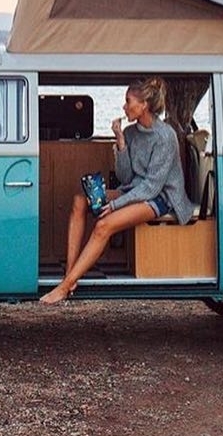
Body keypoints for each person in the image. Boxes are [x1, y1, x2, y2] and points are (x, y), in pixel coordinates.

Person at [40, 76, 193, 305]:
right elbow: (125, 177)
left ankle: (64, 287)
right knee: (80, 200)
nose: (124, 106)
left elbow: (151, 187)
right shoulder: (131, 133)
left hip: (162, 197)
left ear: (144, 106)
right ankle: (69, 277)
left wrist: (114, 205)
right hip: (135, 190)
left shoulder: (165, 136)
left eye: (128, 101)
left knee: (104, 225)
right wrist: (120, 141)